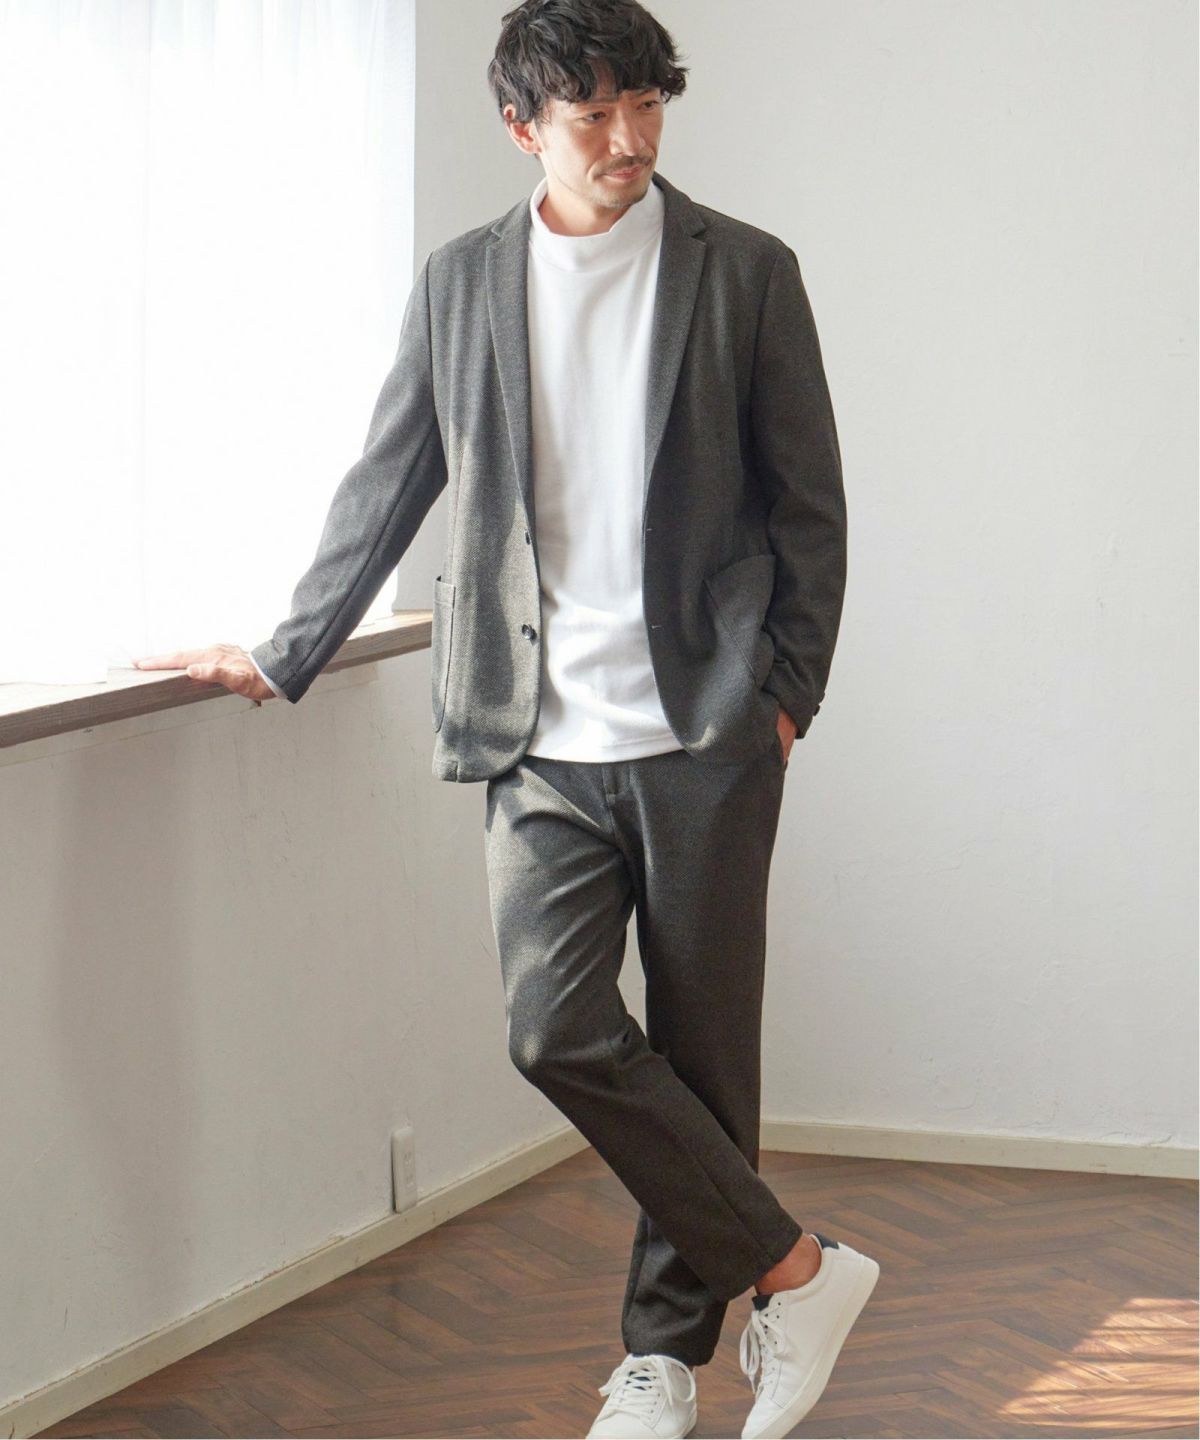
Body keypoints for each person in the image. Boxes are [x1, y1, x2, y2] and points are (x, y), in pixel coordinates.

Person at [133, 2, 879, 1435]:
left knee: (707, 1055)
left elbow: (811, 504)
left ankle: (662, 1363)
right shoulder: (463, 281)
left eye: (647, 106)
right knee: (555, 1030)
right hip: (530, 733)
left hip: (706, 730)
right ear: (522, 125)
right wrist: (288, 651)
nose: (628, 140)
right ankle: (797, 1272)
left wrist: (788, 690)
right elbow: (391, 476)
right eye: (593, 114)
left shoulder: (746, 272)